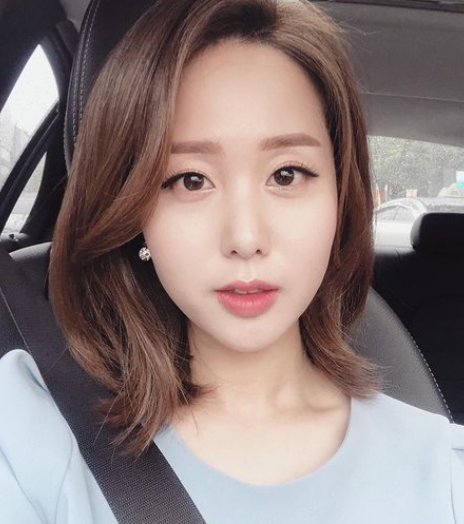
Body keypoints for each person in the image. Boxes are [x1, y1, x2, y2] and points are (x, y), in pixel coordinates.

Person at [0, 0, 463, 522]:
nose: (245, 238)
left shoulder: (444, 474)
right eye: (190, 179)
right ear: (136, 213)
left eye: (286, 174)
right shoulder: (34, 431)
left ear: (341, 199)